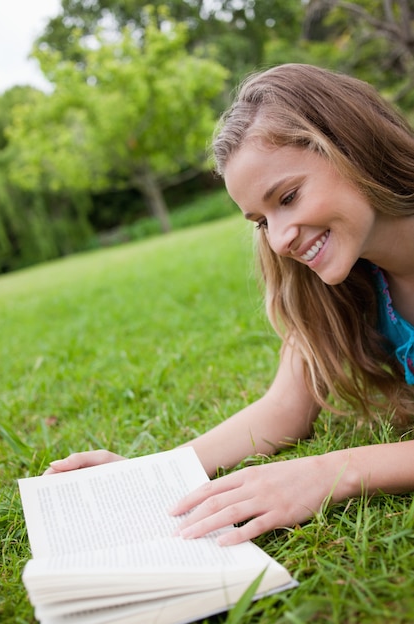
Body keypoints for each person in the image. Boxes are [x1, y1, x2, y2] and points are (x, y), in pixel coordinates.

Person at [45, 64, 414, 546]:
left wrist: (336, 471)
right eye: (261, 221)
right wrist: (150, 473)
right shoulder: (349, 283)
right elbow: (285, 409)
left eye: (288, 197)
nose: (280, 240)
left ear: (351, 146)